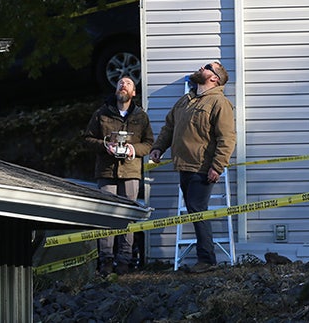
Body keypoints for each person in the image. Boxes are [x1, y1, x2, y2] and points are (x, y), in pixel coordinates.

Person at [149, 60, 235, 274]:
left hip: (202, 167)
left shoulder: (219, 103)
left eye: (208, 67)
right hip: (184, 166)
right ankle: (206, 257)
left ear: (215, 78)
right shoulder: (185, 100)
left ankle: (207, 260)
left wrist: (217, 165)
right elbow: (169, 127)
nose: (202, 68)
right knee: (194, 211)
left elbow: (227, 138)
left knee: (197, 211)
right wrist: (159, 147)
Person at [83, 75, 154, 276]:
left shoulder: (141, 116)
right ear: (116, 90)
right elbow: (87, 139)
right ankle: (105, 260)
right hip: (106, 172)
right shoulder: (101, 113)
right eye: (120, 83)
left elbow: (149, 143)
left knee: (127, 216)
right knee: (106, 214)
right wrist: (106, 146)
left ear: (133, 93)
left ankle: (124, 261)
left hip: (131, 172)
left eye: (128, 83)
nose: (123, 85)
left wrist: (132, 149)